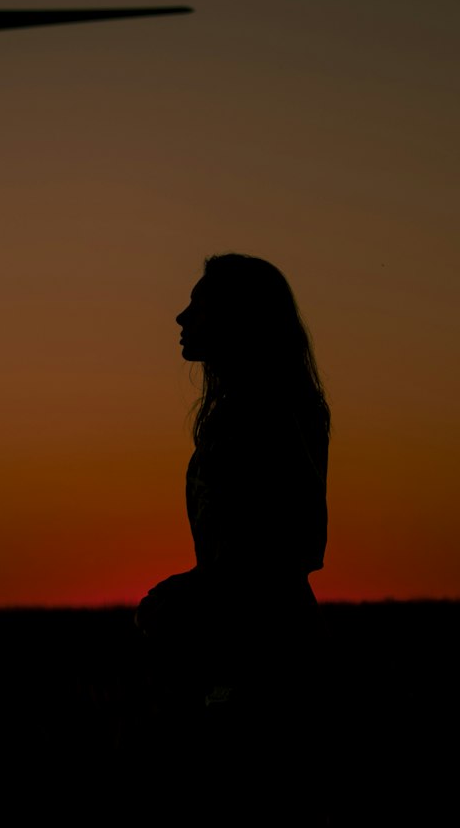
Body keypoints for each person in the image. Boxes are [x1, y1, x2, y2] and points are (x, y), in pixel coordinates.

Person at [135, 253, 330, 709]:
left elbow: (278, 548)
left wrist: (183, 596)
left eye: (198, 306)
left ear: (235, 317)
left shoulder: (260, 415)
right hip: (257, 643)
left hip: (264, 654)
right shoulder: (258, 409)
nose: (182, 317)